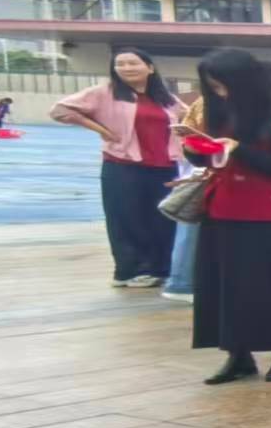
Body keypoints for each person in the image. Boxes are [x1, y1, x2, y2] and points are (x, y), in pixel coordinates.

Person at [185, 50, 271, 384]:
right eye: (214, 87)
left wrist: (238, 149)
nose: (220, 93)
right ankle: (237, 353)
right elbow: (211, 162)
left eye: (224, 86)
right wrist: (195, 150)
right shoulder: (221, 114)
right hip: (222, 208)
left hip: (268, 213)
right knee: (224, 285)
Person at [52, 46, 184, 288]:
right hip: (123, 165)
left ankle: (159, 268)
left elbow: (189, 119)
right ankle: (129, 271)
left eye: (133, 63)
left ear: (150, 68)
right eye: (120, 64)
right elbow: (60, 110)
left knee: (163, 218)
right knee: (126, 218)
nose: (126, 68)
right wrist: (100, 129)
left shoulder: (165, 98)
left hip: (164, 166)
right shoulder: (105, 93)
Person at [160, 97, 206, 304]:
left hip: (205, 169)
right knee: (191, 226)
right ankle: (181, 282)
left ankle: (182, 281)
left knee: (192, 227)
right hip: (208, 171)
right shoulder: (208, 103)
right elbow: (190, 143)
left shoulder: (204, 102)